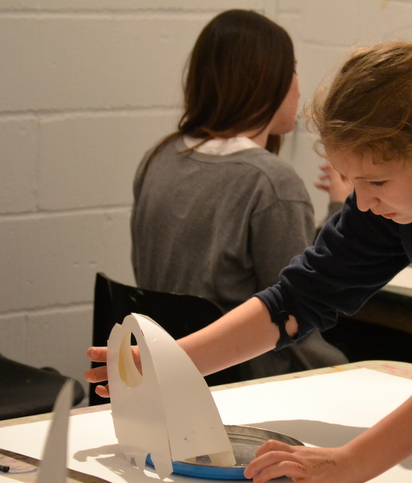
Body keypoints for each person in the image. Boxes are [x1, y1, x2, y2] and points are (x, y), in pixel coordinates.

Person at [87, 11, 412, 483]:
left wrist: (351, 462)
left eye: (376, 182)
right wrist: (168, 364)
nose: (360, 201)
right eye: (353, 180)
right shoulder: (404, 184)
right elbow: (299, 298)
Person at [129, 9, 348, 382]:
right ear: (266, 82)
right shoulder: (271, 181)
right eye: (292, 71)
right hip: (247, 380)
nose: (298, 86)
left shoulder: (159, 158)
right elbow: (299, 316)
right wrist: (347, 373)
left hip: (167, 372)